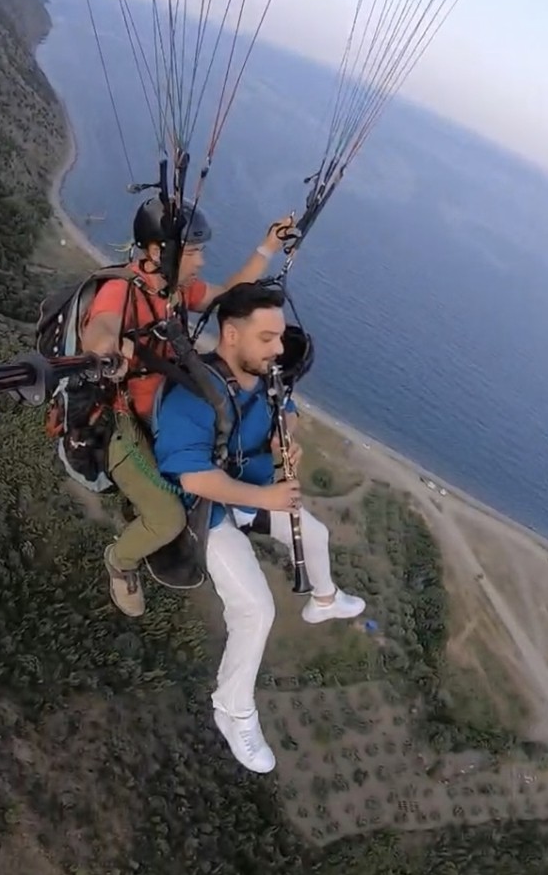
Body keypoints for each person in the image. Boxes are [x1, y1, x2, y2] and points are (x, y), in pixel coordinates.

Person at [153, 282, 365, 774]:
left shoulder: (265, 379)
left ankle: (324, 600)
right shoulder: (193, 394)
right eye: (267, 338)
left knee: (315, 536)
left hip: (246, 488)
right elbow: (191, 475)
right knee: (255, 609)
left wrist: (283, 442)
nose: (278, 349)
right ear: (231, 335)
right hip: (204, 507)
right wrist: (264, 497)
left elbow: (285, 417)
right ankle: (232, 709)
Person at [80, 197, 295, 618]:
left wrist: (268, 246)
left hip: (170, 412)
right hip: (127, 424)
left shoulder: (176, 291)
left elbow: (226, 295)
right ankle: (120, 563)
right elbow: (101, 327)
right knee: (168, 518)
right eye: (193, 252)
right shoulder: (121, 291)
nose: (200, 260)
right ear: (159, 251)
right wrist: (108, 349)